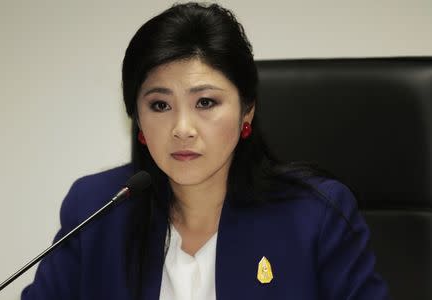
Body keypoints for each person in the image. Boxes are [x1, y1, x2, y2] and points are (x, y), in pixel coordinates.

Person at [22, 2, 390, 300]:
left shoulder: (315, 214)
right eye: (160, 106)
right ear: (138, 120)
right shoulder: (97, 209)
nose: (183, 128)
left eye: (206, 102)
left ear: (247, 110)